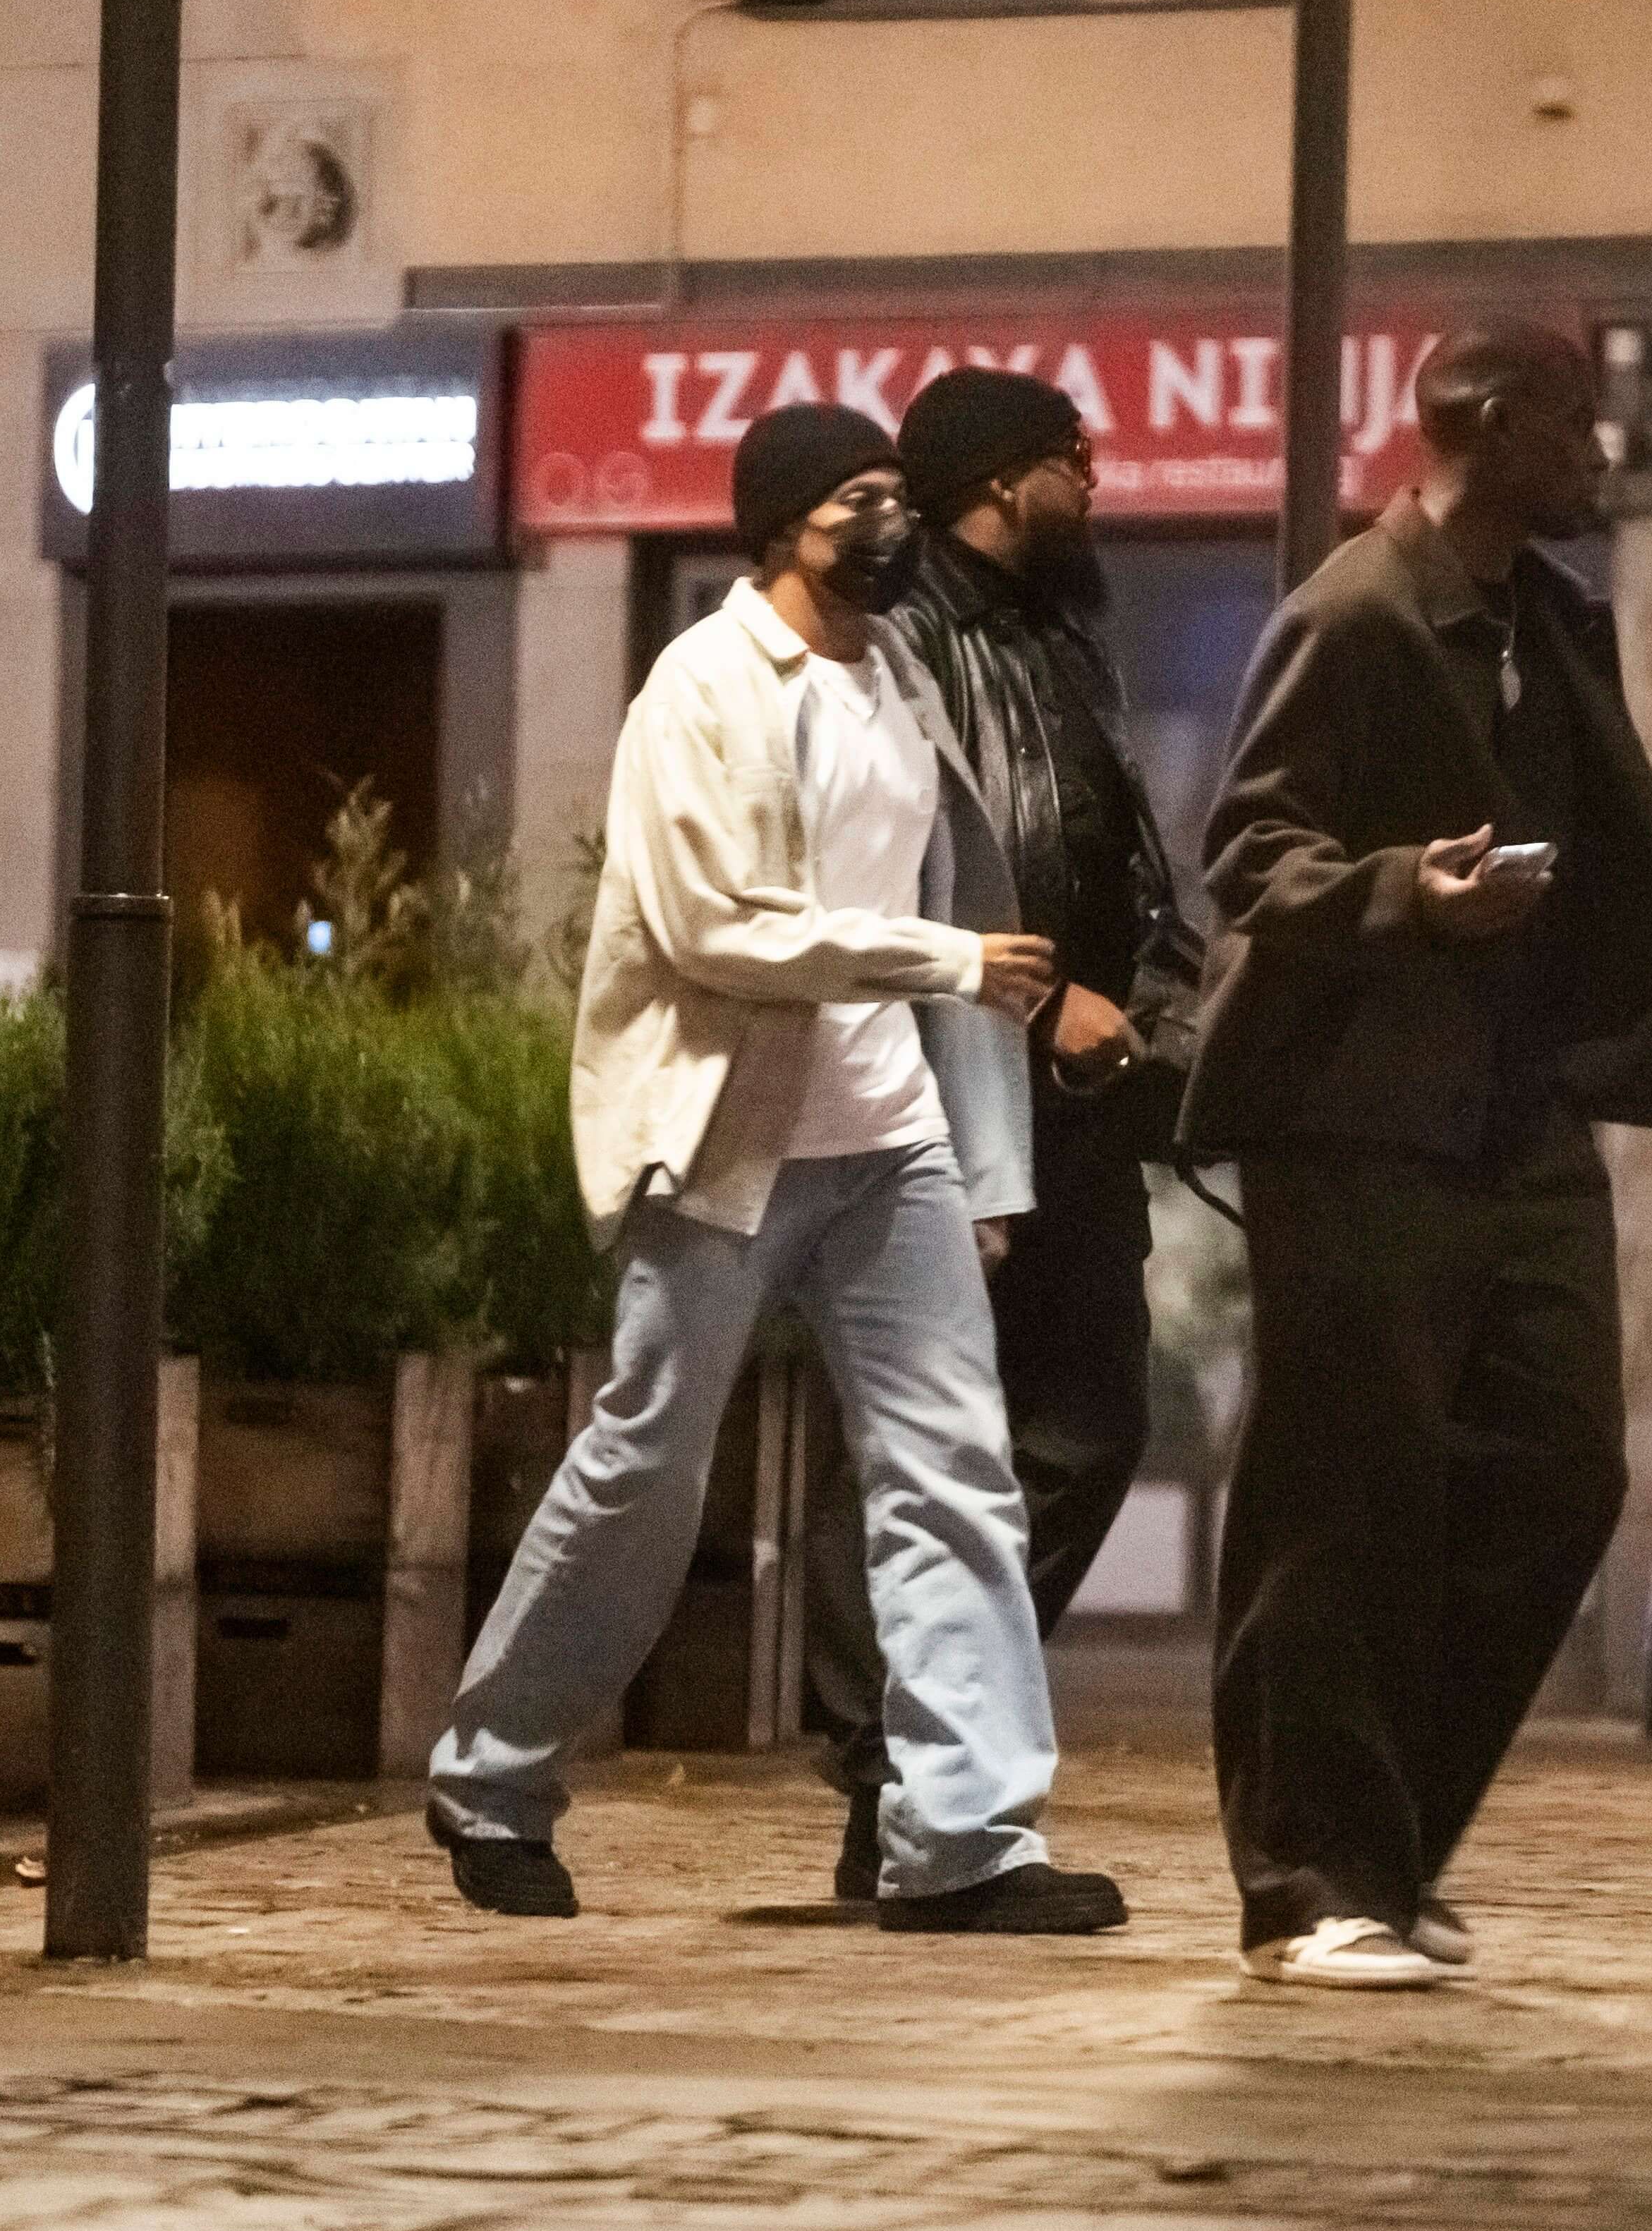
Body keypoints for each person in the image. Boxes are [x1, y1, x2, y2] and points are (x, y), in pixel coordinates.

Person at [426, 401, 1128, 1935]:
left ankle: (960, 1839)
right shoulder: (705, 686)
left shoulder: (892, 676)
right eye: (857, 499)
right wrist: (943, 962)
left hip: (890, 1144)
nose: (886, 522)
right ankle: (488, 1775)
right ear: (780, 528)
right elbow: (717, 931)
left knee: (957, 1471)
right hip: (729, 1143)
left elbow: (961, 873)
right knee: (648, 1467)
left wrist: (982, 1156)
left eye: (893, 494)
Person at [1182, 319, 1652, 1989]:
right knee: (1346, 1492)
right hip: (1357, 1117)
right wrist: (1414, 887)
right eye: (1573, 424)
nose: (1600, 455)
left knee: (1562, 1473)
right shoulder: (1354, 612)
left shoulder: (1553, 621)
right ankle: (1309, 1881)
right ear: (1478, 424)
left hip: (1522, 1114)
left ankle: (1385, 1837)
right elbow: (1248, 850)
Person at [798, 366, 1207, 1903]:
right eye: (1068, 458)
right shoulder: (904, 643)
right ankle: (900, 1770)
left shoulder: (1055, 637)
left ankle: (931, 1741)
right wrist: (1041, 1013)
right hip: (955, 1086)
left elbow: (1119, 859)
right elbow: (896, 875)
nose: (1094, 480)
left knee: (1090, 1418)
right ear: (997, 476)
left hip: (1078, 1100)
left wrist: (1161, 1011)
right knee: (926, 1433)